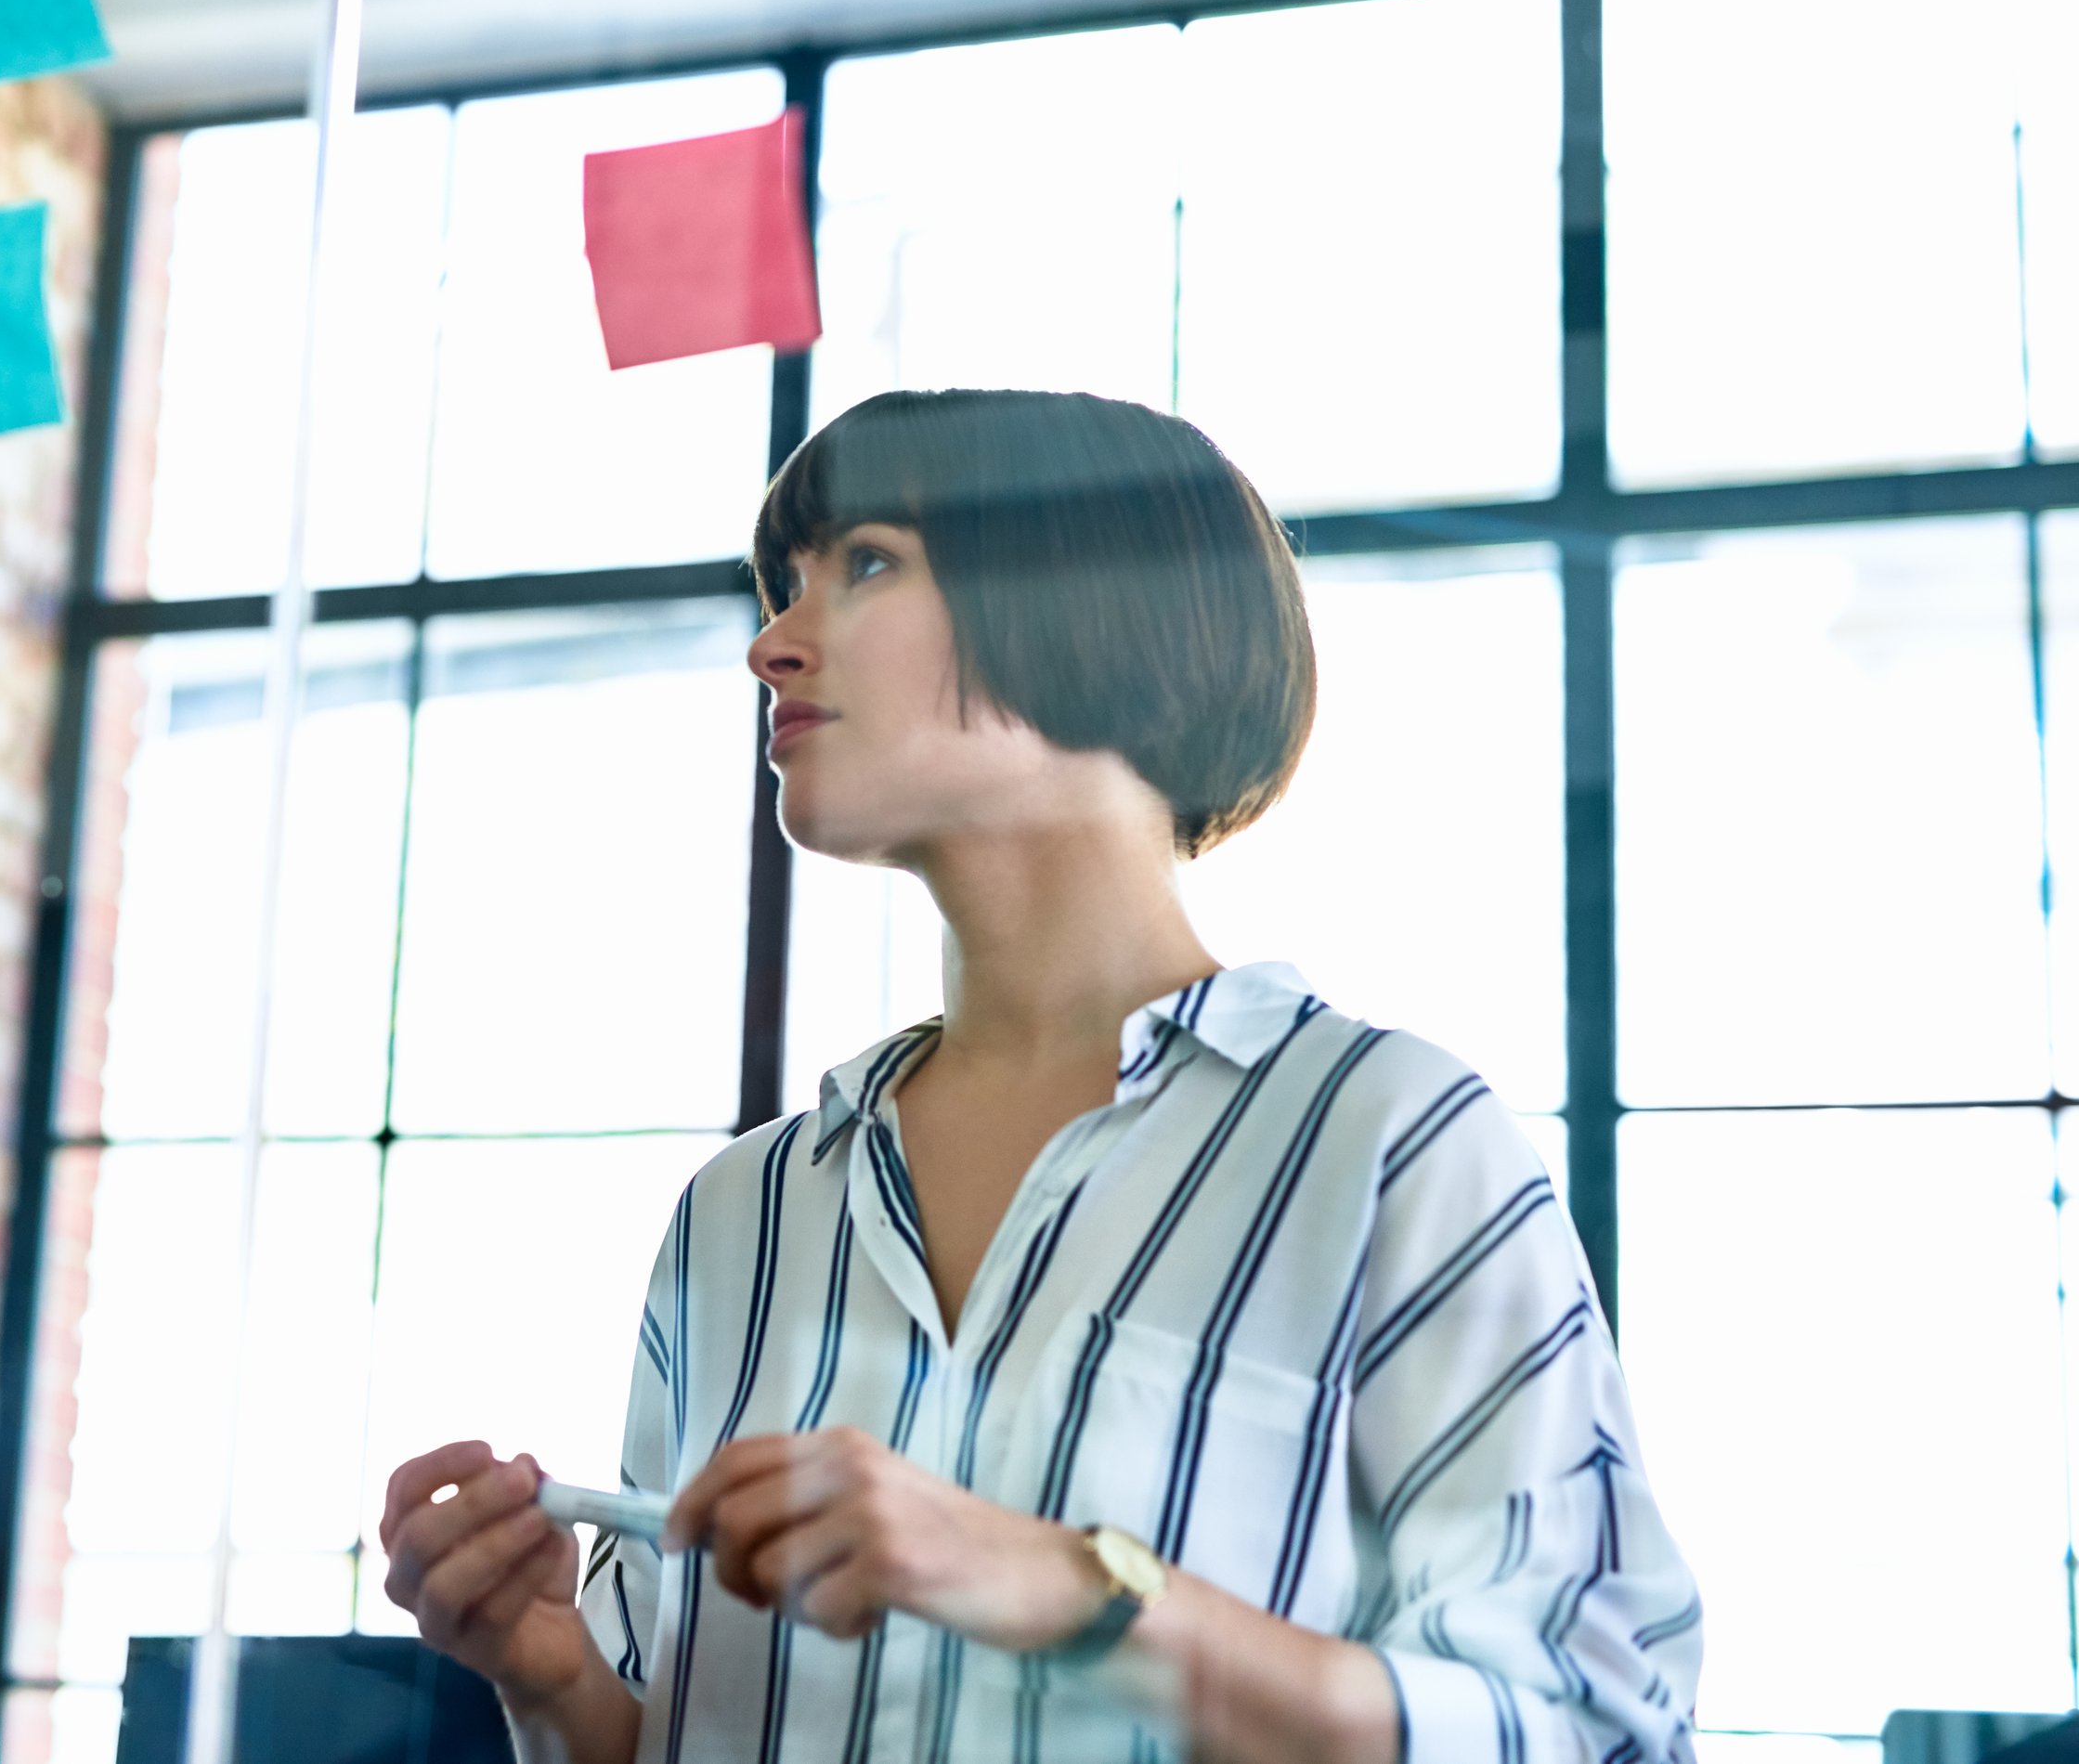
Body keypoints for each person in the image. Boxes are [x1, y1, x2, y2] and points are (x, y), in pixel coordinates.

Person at [378, 389, 1697, 1764]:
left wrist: (1075, 1584)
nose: (771, 641)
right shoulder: (742, 1213)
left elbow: (1589, 1725)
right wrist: (553, 1681)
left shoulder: (1392, 1146)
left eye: (866, 562)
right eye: (786, 585)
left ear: (1092, 599)